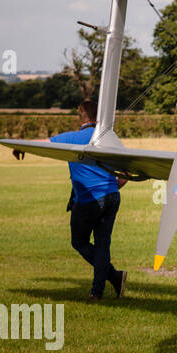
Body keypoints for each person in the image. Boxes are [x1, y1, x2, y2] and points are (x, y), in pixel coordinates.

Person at [47, 100, 129, 301]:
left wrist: (18, 149)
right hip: (112, 197)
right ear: (98, 117)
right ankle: (99, 291)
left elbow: (36, 144)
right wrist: (114, 184)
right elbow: (127, 169)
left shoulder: (71, 138)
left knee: (79, 241)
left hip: (89, 200)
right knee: (102, 245)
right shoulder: (109, 138)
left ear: (80, 116)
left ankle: (111, 278)